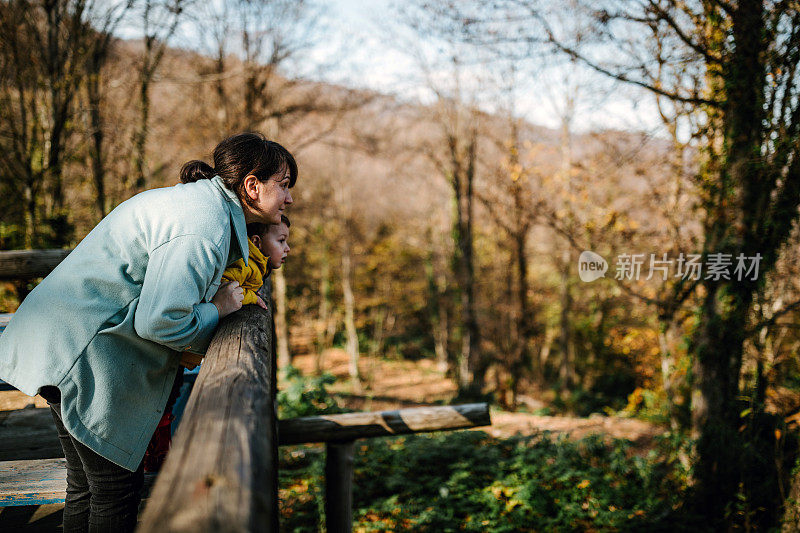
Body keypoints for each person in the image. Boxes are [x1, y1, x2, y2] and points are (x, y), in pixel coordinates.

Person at [0, 132, 296, 532]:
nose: (290, 198)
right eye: (284, 185)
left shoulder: (200, 206)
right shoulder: (202, 224)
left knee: (86, 488)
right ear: (251, 186)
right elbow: (160, 321)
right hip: (81, 352)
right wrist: (219, 307)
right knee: (114, 490)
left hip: (64, 342)